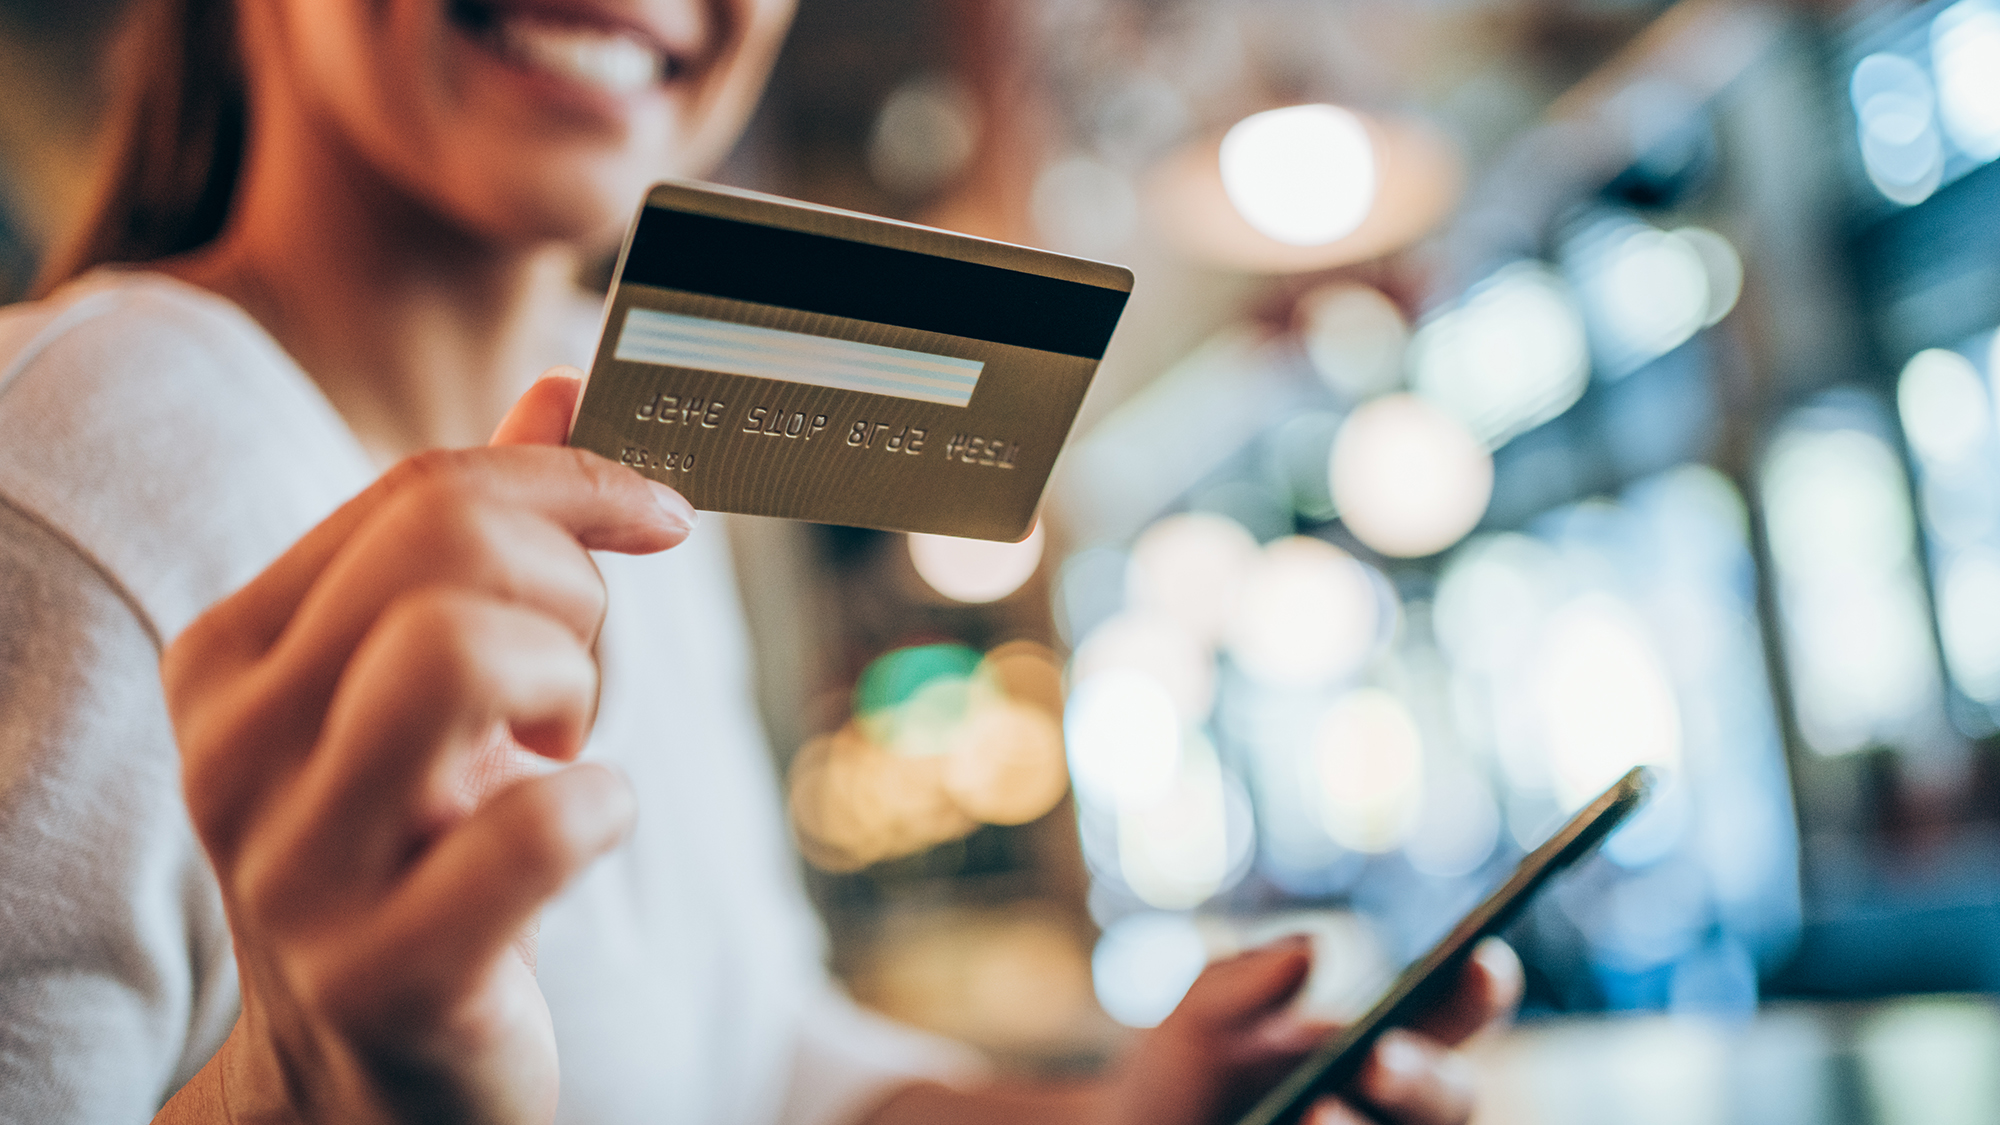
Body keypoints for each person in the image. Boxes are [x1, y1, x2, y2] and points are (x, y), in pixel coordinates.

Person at [0, 0, 1524, 1122]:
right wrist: (308, 1089)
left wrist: (1123, 1115)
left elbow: (767, 1066)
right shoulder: (64, 467)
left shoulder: (636, 431)